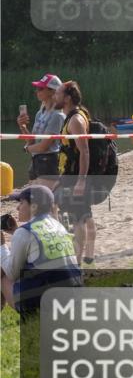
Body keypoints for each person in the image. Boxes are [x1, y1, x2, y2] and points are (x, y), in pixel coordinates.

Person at [1, 185, 82, 315]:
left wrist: (2, 245)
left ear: (34, 206)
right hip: (72, 296)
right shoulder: (59, 226)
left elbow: (12, 273)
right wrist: (16, 231)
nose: (17, 208)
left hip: (43, 305)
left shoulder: (24, 233)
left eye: (21, 203)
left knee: (3, 274)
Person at [53, 81, 97, 264]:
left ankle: (77, 261)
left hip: (76, 177)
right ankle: (89, 255)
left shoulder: (76, 120)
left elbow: (84, 151)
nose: (55, 96)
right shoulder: (71, 116)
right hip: (69, 176)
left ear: (67, 98)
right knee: (84, 215)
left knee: (79, 219)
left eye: (58, 93)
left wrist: (81, 181)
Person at [16, 73, 65, 188]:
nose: (37, 91)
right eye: (37, 88)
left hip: (49, 162)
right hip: (36, 161)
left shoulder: (57, 115)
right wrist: (22, 126)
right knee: (34, 200)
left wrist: (26, 149)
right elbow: (32, 140)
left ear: (52, 91)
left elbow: (44, 146)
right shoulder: (40, 113)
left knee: (46, 202)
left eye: (40, 88)